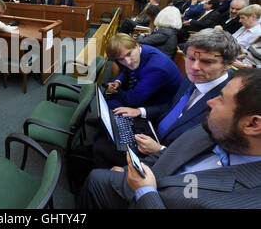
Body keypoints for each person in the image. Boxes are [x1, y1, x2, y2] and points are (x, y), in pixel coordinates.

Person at [78, 68, 261, 209]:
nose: (210, 102)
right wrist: (128, 171)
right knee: (96, 177)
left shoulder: (249, 200)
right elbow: (174, 152)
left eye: (221, 99)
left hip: (150, 198)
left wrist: (145, 192)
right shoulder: (217, 128)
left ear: (253, 125)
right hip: (142, 181)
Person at [93, 29, 239, 169]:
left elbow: (206, 156)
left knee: (103, 149)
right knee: (108, 132)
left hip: (167, 155)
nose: (194, 67)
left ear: (228, 65)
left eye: (207, 62)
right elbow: (171, 106)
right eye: (191, 58)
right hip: (153, 129)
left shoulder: (228, 101)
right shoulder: (192, 77)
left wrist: (159, 149)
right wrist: (140, 111)